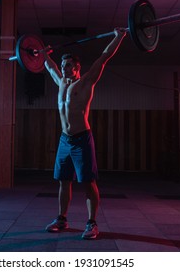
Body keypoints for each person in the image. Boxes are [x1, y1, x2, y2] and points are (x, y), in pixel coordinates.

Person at [42, 27, 127, 240]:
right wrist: (42, 53)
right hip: (64, 140)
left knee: (88, 183)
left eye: (68, 65)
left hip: (81, 140)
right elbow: (49, 66)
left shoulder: (86, 82)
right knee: (63, 181)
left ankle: (92, 223)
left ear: (77, 67)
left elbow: (105, 56)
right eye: (63, 65)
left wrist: (119, 36)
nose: (64, 68)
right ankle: (62, 219)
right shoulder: (61, 82)